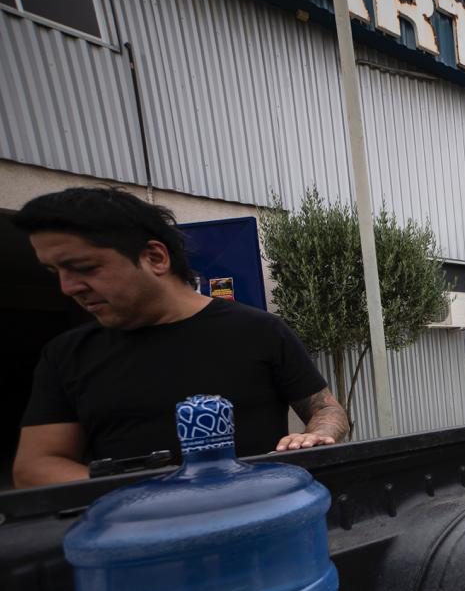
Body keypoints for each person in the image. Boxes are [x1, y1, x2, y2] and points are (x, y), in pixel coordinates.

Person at [12, 187, 350, 489]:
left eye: (85, 267)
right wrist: (146, 494)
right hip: (139, 540)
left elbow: (325, 409)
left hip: (258, 524)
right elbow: (35, 467)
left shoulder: (260, 331)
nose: (67, 288)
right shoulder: (66, 354)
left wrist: (318, 434)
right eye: (56, 272)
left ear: (155, 257)